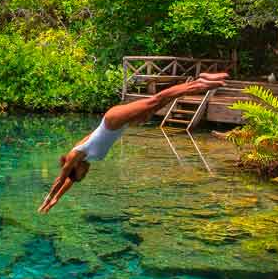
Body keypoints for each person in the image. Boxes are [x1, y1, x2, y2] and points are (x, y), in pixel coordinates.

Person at [38, 71, 230, 213]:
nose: (86, 173)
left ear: (75, 167)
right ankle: (200, 82)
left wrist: (47, 198)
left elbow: (62, 178)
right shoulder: (84, 160)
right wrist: (57, 200)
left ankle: (201, 82)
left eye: (82, 174)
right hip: (123, 124)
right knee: (161, 104)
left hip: (112, 121)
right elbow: (69, 182)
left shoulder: (75, 155)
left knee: (158, 98)